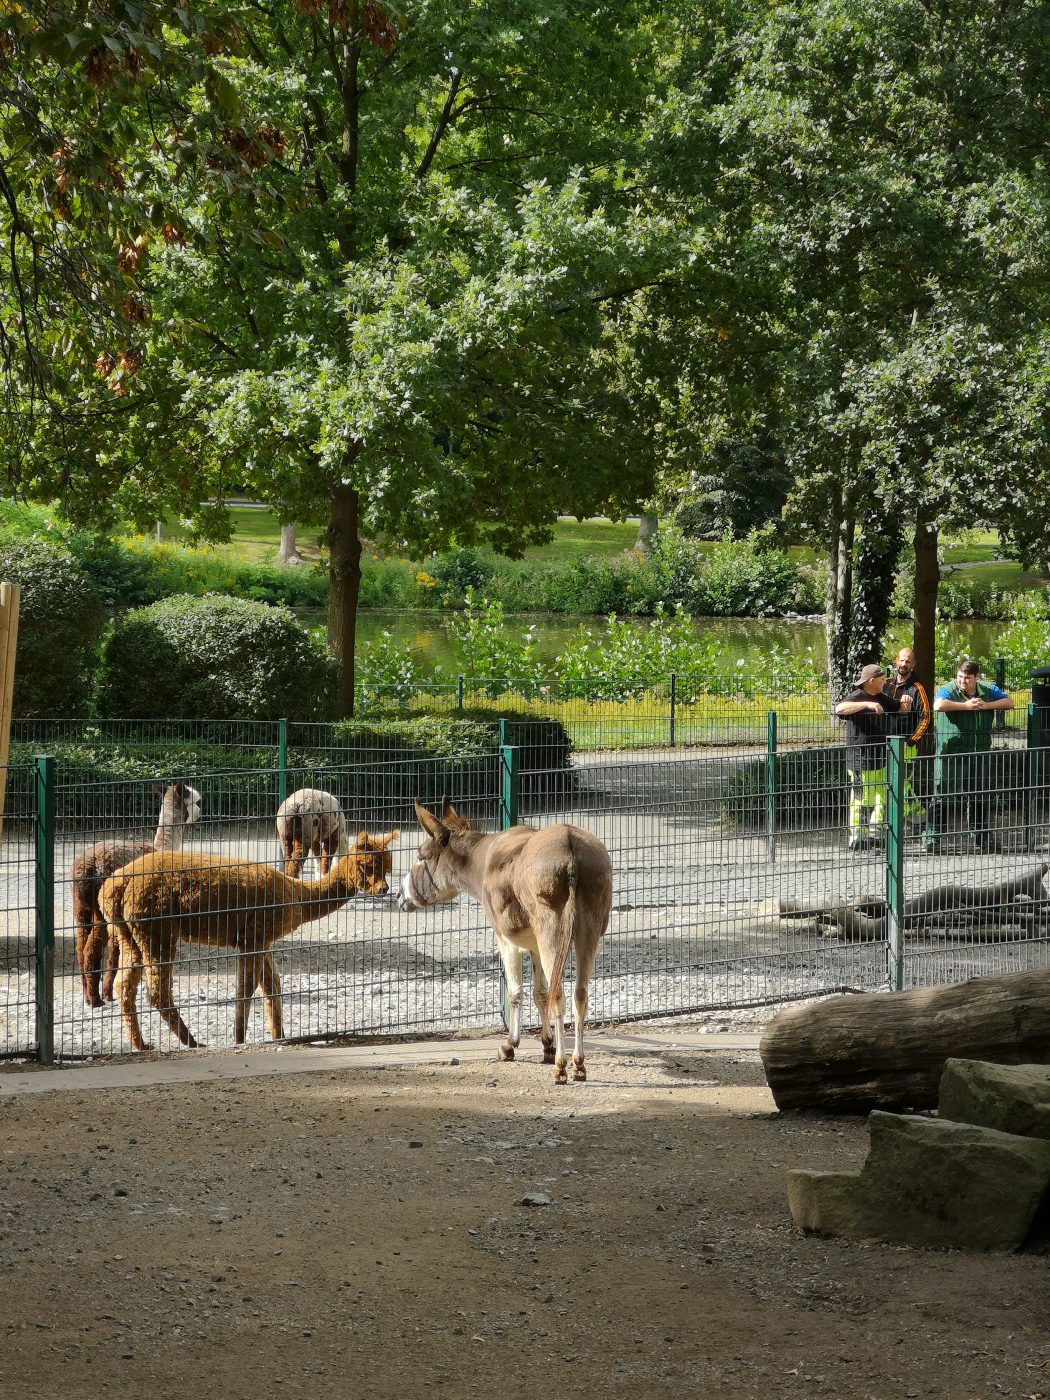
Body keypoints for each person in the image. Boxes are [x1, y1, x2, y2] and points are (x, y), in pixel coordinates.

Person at [923, 658, 1013, 852]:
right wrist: (966, 706)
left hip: (979, 752)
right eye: (960, 677)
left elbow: (1009, 702)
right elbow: (938, 705)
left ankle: (982, 839)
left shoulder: (987, 690)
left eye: (967, 678)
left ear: (976, 677)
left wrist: (985, 706)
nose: (963, 681)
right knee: (942, 795)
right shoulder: (948, 689)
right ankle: (932, 839)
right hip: (951, 754)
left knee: (979, 795)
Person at [835, 662, 911, 852]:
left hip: (880, 759)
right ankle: (857, 839)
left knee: (882, 798)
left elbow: (900, 709)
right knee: (860, 800)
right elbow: (840, 709)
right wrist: (867, 704)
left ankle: (876, 837)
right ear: (871, 680)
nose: (885, 682)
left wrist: (906, 702)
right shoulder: (858, 696)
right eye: (881, 679)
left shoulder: (881, 697)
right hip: (861, 760)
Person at [883, 646, 931, 822]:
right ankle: (919, 817)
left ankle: (899, 824)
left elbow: (925, 718)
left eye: (908, 661)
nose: (904, 664)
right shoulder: (886, 684)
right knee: (889, 784)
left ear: (914, 664)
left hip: (907, 746)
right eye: (902, 660)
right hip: (884, 744)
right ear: (896, 661)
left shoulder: (917, 688)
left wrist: (911, 741)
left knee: (902, 784)